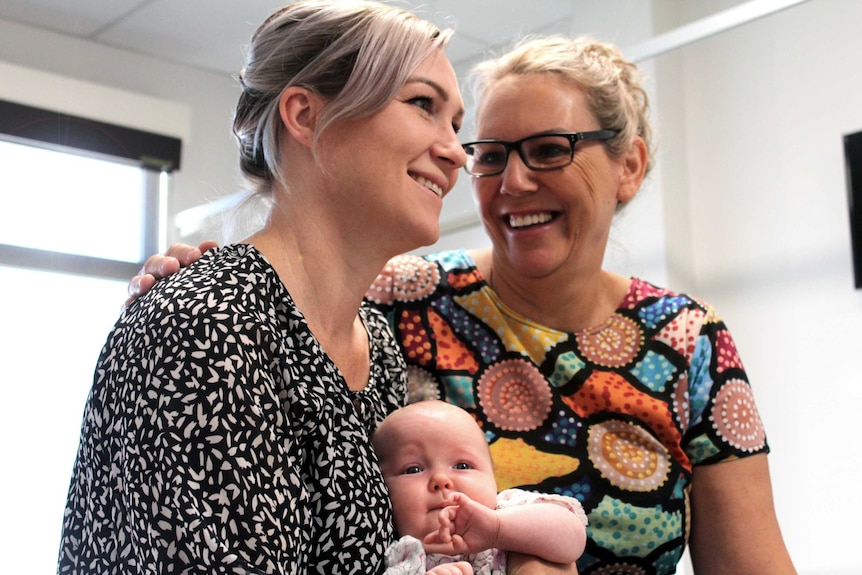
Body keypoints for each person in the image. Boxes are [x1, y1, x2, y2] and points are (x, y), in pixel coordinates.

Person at [128, 35, 798, 574]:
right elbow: (282, 298)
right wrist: (189, 272)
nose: (513, 181)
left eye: (547, 150)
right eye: (491, 155)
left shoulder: (689, 343)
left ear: (629, 165)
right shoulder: (399, 295)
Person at [58, 2, 468, 573]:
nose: (455, 154)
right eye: (423, 104)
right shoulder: (207, 326)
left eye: (457, 125)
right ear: (304, 115)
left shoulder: (375, 341)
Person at [373, 400, 587, 574]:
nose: (441, 479)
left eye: (463, 465)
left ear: (492, 478)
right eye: (413, 469)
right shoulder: (404, 558)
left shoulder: (509, 509)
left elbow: (573, 540)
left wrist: (497, 529)